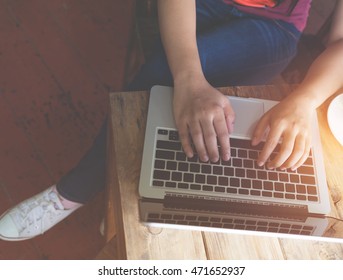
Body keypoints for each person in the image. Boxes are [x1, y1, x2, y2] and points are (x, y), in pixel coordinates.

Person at [0, 0, 340, 241]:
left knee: (165, 81)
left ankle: (80, 191)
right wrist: (190, 79)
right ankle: (99, 195)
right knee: (174, 83)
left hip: (273, 27)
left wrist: (305, 100)